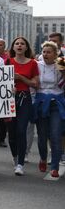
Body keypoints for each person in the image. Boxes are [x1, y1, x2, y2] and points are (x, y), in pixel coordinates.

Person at [7, 36, 39, 176]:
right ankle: (15, 158)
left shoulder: (32, 63)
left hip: (25, 98)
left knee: (21, 130)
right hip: (10, 99)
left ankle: (20, 163)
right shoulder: (8, 62)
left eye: (22, 44)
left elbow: (35, 83)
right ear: (13, 47)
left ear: (26, 47)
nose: (19, 46)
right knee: (12, 133)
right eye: (17, 44)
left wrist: (21, 78)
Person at [33, 41, 64, 179]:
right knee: (42, 135)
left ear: (55, 54)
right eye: (44, 52)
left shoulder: (61, 66)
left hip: (56, 102)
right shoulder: (37, 65)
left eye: (49, 52)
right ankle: (43, 158)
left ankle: (55, 167)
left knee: (56, 135)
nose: (45, 54)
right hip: (41, 102)